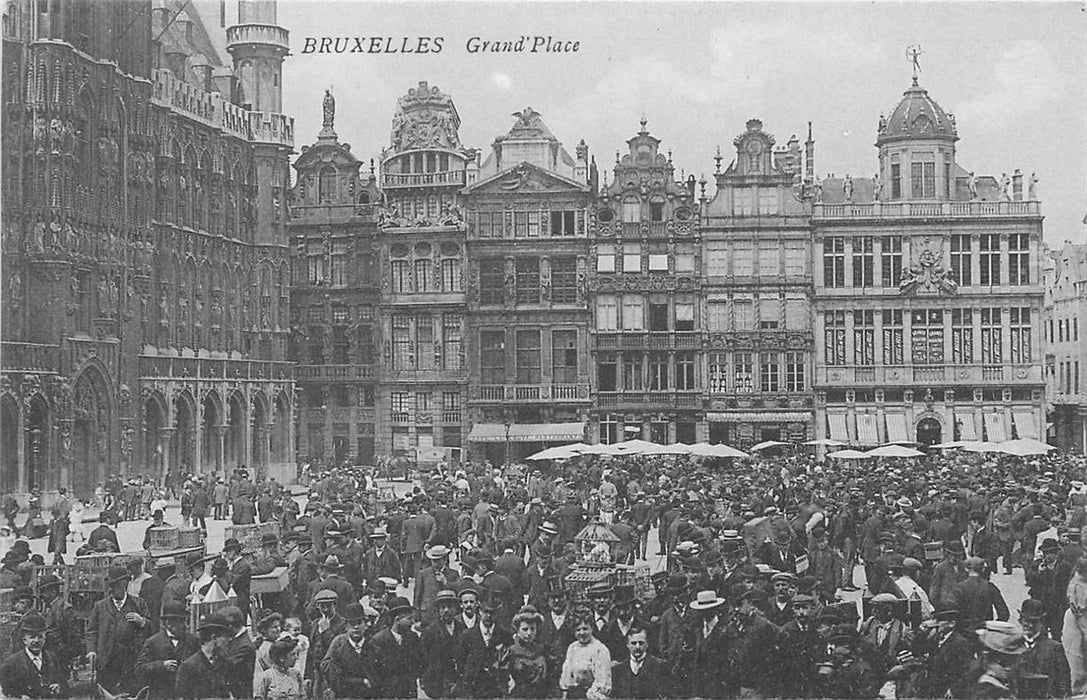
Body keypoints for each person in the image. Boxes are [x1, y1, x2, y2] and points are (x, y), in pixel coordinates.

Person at [85, 565, 152, 694]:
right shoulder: (100, 606)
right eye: (110, 585)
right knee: (106, 694)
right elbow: (91, 632)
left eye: (115, 585)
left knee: (130, 693)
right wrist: (91, 651)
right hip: (106, 662)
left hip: (131, 662)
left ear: (125, 584)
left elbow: (150, 631)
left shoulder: (138, 604)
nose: (111, 589)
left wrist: (142, 622)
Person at [135, 601, 200, 700]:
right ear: (168, 623)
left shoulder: (193, 640)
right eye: (180, 621)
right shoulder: (153, 642)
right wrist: (162, 665)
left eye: (185, 621)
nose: (184, 625)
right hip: (160, 695)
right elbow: (139, 670)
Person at [0, 612, 66, 698]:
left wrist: (58, 686)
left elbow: (62, 682)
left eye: (40, 636)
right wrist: (19, 697)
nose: (36, 640)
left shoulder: (52, 658)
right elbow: (6, 689)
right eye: (32, 637)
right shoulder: (12, 662)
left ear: (45, 638)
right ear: (24, 640)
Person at [367, 596, 421, 698]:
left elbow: (418, 665)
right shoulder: (378, 641)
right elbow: (374, 674)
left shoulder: (413, 638)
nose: (413, 622)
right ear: (397, 620)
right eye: (409, 618)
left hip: (408, 692)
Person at [1017, 598, 1071, 698]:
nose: (1030, 625)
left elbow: (1063, 681)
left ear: (1042, 623)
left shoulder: (1054, 647)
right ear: (1020, 621)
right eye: (1027, 621)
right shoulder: (1012, 646)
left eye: (1035, 622)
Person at [174, 614, 232, 700]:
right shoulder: (188, 667)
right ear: (214, 638)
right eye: (226, 636)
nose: (229, 640)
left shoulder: (226, 663)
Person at [420, 590, 463, 698]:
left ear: (456, 609)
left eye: (449, 606)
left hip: (458, 681)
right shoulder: (430, 632)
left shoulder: (463, 628)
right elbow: (423, 658)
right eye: (443, 607)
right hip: (438, 682)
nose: (446, 610)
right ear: (438, 610)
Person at [559, 612, 612, 699]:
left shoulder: (600, 649)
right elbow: (566, 676)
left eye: (585, 629)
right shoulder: (572, 647)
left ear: (592, 629)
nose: (582, 633)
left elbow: (602, 681)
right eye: (578, 630)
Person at [611, 625, 672, 699]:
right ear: (627, 645)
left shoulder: (660, 666)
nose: (637, 647)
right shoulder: (618, 670)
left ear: (647, 644)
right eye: (633, 643)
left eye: (641, 643)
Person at [507, 605, 550, 698]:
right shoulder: (511, 651)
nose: (529, 633)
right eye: (525, 629)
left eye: (533, 629)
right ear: (517, 630)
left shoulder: (541, 650)